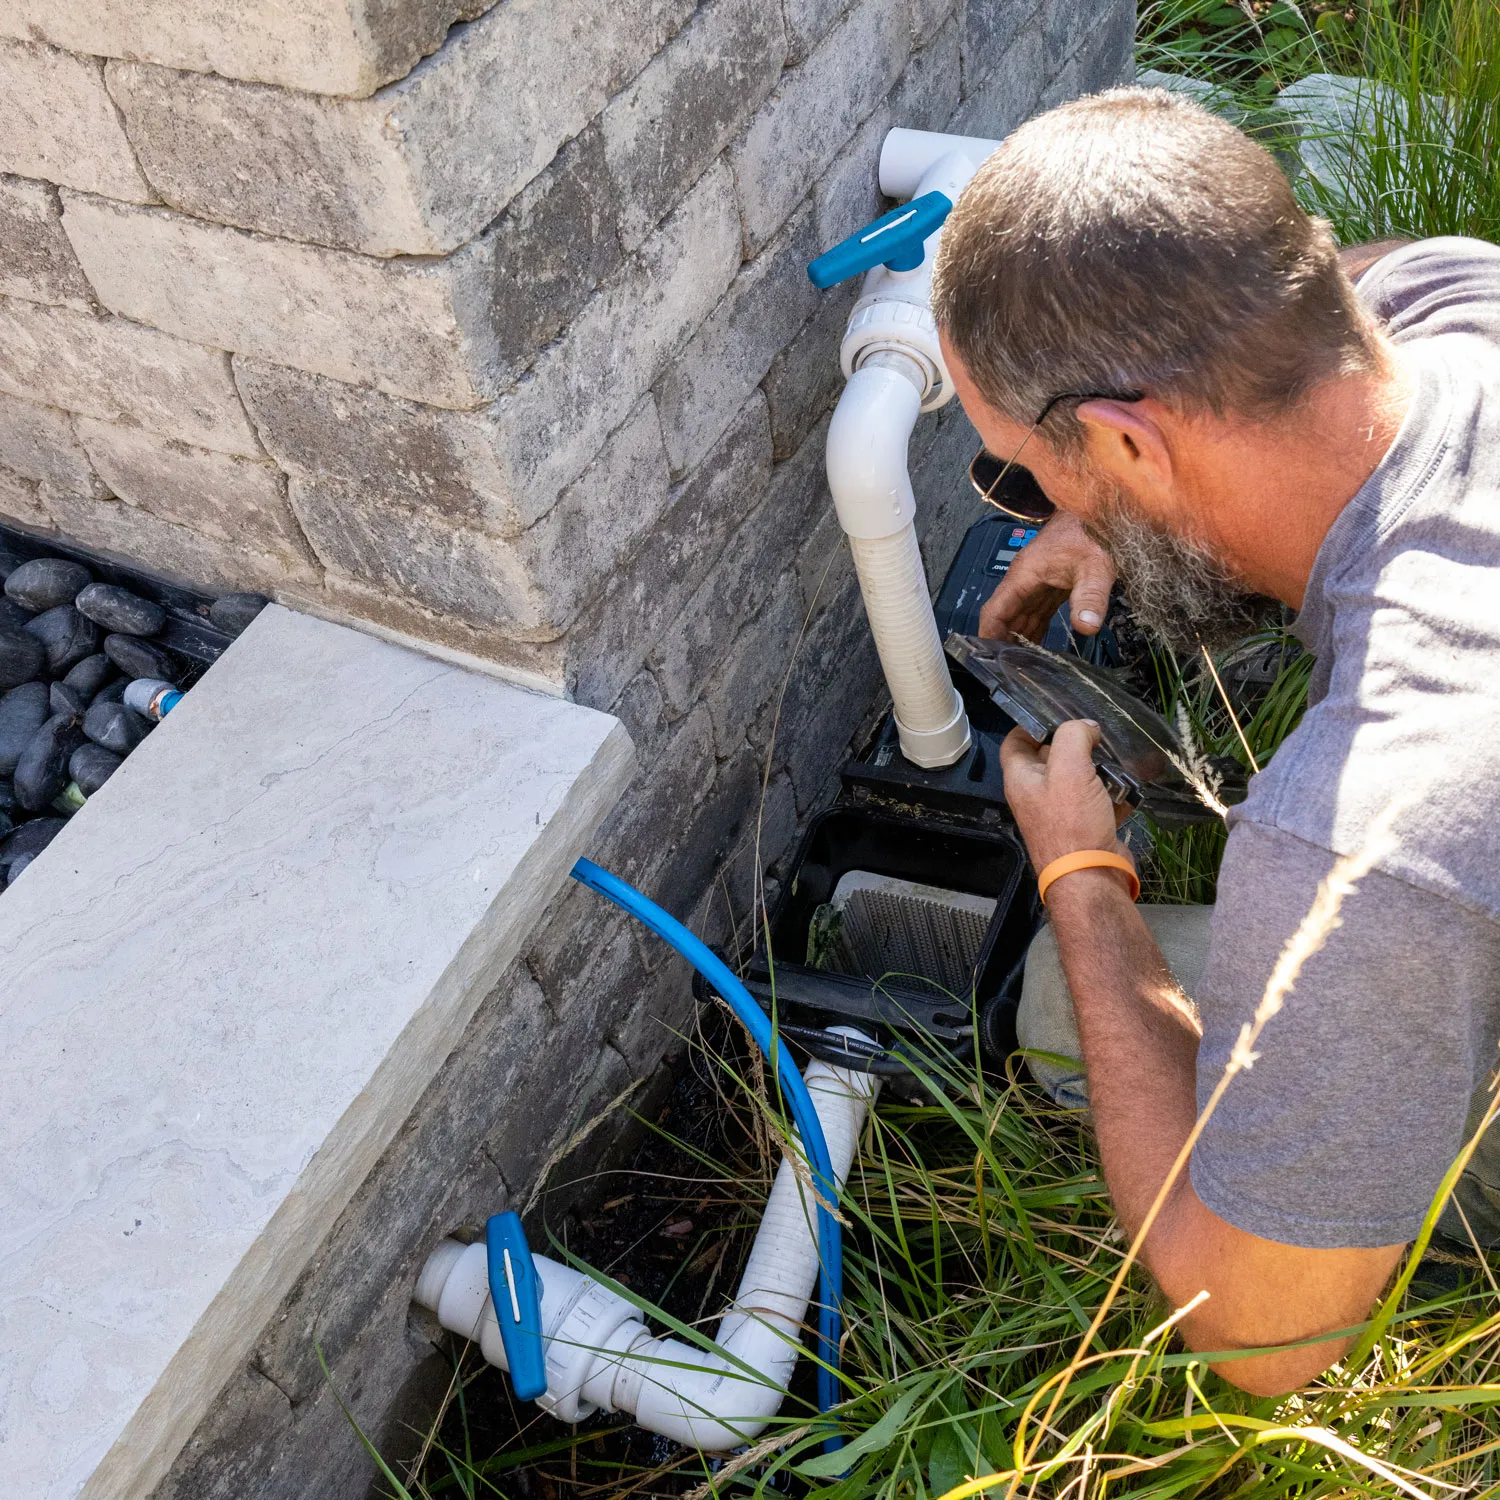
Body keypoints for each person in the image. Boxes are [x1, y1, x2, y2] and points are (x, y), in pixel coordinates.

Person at [929, 85, 1500, 1396]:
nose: (1031, 505)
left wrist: (1082, 881)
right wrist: (1107, 509)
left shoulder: (1363, 845)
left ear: (1131, 440)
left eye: (1027, 472)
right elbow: (1333, 285)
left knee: (1059, 1021)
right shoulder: (1462, 299)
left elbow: (1261, 1342)